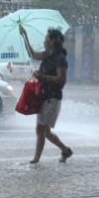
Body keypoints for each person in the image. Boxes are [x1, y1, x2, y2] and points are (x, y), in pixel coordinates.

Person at [19, 25, 72, 165]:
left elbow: (61, 79)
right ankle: (65, 150)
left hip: (52, 98)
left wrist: (43, 77)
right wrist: (24, 35)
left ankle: (36, 159)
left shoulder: (60, 59)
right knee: (45, 131)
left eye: (46, 39)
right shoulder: (47, 54)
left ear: (53, 40)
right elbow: (32, 54)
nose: (44, 41)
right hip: (44, 96)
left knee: (41, 129)